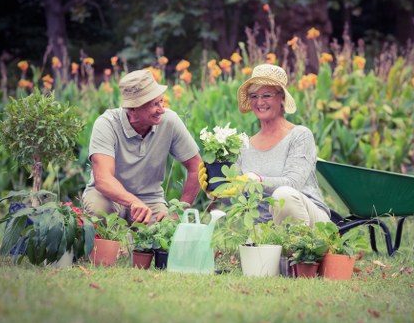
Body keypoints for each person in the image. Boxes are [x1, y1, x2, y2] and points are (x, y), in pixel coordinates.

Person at [201, 64, 330, 226]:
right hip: (265, 227)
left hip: (311, 220)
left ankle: (301, 249)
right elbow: (239, 200)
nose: (259, 102)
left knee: (283, 195)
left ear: (282, 97)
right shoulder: (243, 146)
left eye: (266, 95)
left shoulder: (300, 135)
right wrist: (216, 189)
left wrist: (258, 180)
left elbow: (293, 184)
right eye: (254, 96)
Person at [82, 69, 202, 226]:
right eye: (154, 104)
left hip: (150, 200)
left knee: (166, 232)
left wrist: (178, 213)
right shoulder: (107, 124)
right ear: (133, 109)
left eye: (162, 101)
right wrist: (133, 201)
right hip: (107, 197)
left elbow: (196, 167)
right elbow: (103, 179)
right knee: (99, 212)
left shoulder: (169, 121)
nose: (162, 109)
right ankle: (102, 251)